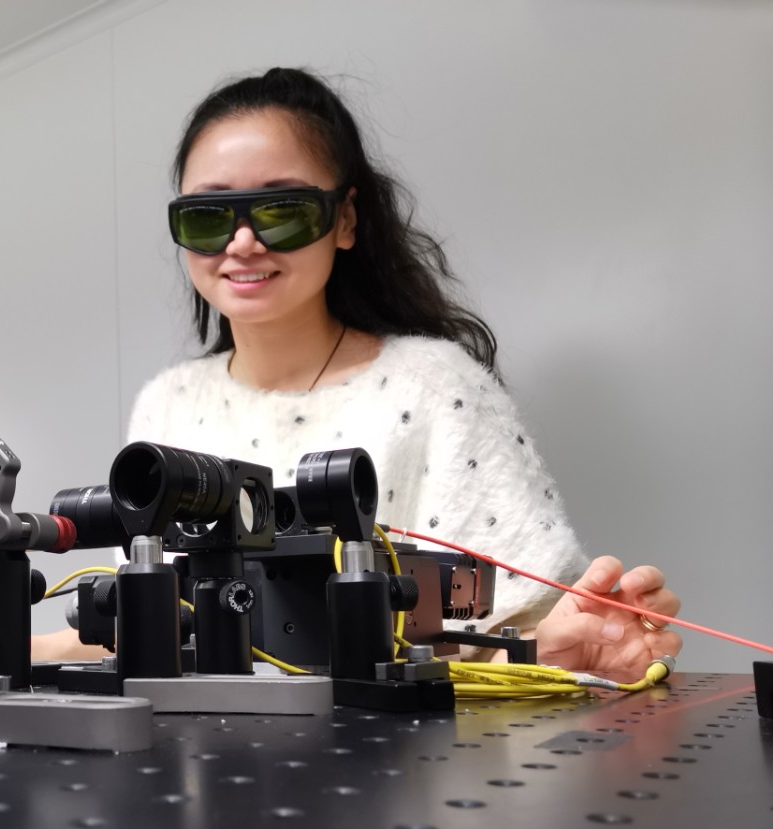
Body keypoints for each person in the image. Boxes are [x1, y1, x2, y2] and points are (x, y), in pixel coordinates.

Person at [37, 67, 680, 677]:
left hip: (394, 773)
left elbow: (497, 631)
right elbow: (133, 630)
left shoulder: (435, 387)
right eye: (208, 216)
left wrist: (563, 649)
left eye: (281, 210)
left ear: (345, 219)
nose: (241, 244)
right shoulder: (167, 404)